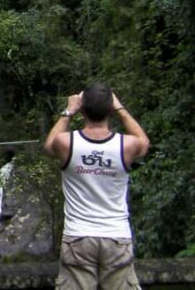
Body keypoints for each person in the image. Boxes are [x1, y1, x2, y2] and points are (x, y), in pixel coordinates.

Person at [43, 82, 150, 289]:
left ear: (82, 109)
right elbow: (144, 142)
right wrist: (120, 108)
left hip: (78, 236)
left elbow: (49, 145)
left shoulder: (67, 143)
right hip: (116, 235)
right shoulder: (126, 145)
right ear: (110, 109)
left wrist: (69, 111)